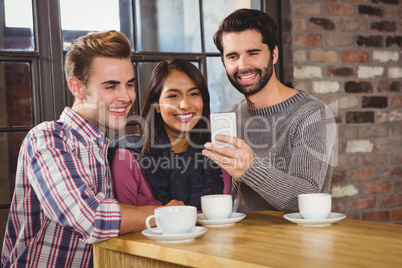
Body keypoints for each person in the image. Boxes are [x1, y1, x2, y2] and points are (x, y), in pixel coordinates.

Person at [1, 30, 182, 268]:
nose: (126, 96)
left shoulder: (102, 145)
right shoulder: (47, 138)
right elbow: (90, 217)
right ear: (77, 88)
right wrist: (163, 214)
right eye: (111, 87)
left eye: (129, 84)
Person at [202, 9, 336, 213]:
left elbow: (307, 199)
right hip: (239, 240)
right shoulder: (230, 117)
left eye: (253, 53)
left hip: (295, 242)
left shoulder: (313, 115)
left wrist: (249, 168)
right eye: (232, 56)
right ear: (224, 62)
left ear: (273, 54)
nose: (243, 65)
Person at [109, 58, 230, 212]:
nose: (185, 105)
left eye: (193, 94)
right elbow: (121, 224)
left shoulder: (218, 159)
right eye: (173, 96)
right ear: (156, 106)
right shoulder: (128, 159)